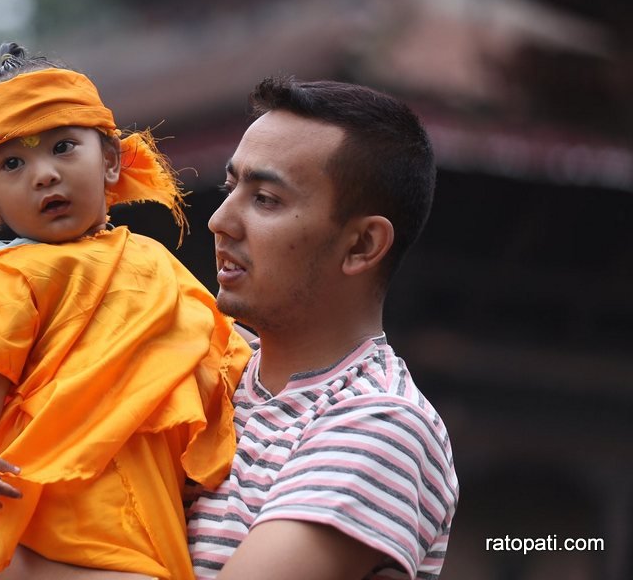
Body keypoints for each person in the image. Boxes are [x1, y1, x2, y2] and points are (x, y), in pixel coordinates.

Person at [0, 44, 252, 579]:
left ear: (112, 160)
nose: (44, 175)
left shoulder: (150, 261)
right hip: (61, 502)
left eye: (64, 147)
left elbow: (216, 350)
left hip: (149, 490)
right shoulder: (10, 277)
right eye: (12, 164)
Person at [186, 76, 459, 579]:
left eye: (265, 199)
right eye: (231, 188)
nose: (220, 220)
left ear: (361, 245)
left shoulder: (383, 424)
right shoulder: (199, 369)